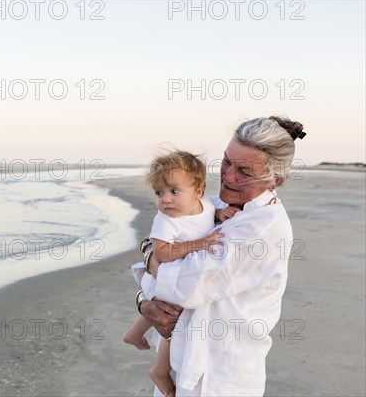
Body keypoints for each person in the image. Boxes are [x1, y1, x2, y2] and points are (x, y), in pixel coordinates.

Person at [136, 116, 306, 396]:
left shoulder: (261, 228)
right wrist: (143, 299)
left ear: (276, 180)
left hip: (220, 376)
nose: (227, 176)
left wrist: (154, 260)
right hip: (182, 361)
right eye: (227, 161)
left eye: (244, 171)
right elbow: (159, 238)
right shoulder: (217, 204)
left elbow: (181, 285)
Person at [122, 151, 236, 397]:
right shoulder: (166, 220)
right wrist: (198, 244)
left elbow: (206, 215)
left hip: (175, 277)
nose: (166, 200)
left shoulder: (205, 206)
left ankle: (134, 333)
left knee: (165, 310)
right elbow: (161, 253)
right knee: (170, 324)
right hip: (165, 275)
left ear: (198, 191)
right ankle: (160, 370)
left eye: (174, 191)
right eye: (159, 193)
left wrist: (218, 215)